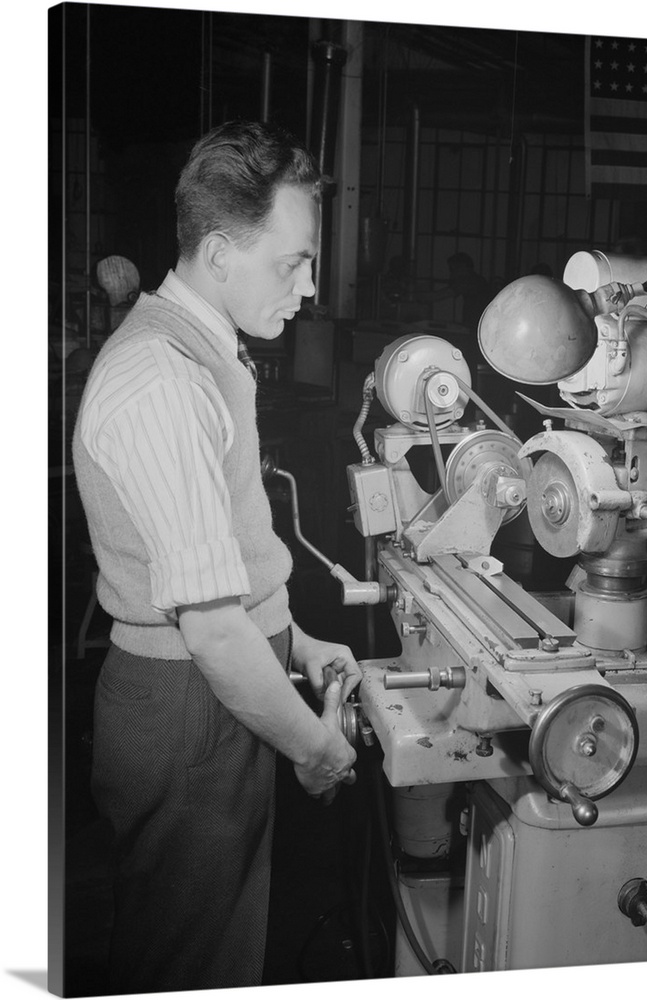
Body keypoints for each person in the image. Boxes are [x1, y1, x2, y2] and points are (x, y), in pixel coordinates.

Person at [72, 120, 362, 994]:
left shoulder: (210, 353)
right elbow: (208, 629)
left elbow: (229, 549)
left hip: (222, 691)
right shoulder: (161, 379)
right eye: (294, 261)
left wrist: (296, 642)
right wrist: (316, 747)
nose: (309, 288)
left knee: (223, 944)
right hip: (190, 705)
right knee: (186, 960)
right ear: (221, 251)